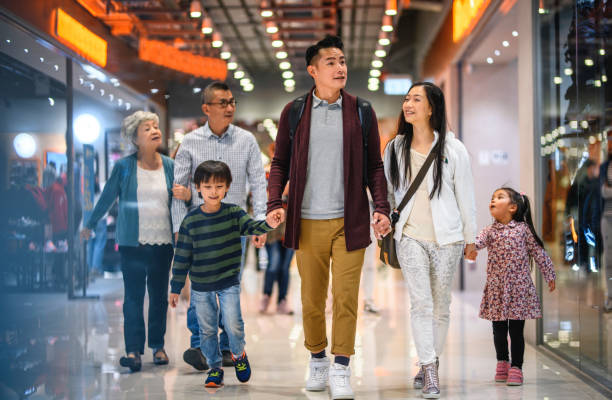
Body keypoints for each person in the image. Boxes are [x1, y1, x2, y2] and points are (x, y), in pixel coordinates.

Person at [266, 35, 391, 399]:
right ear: (313, 71)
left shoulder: (361, 111)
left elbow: (374, 167)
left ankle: (341, 367)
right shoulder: (295, 112)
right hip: (305, 222)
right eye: (331, 62)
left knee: (347, 297)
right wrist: (275, 201)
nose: (340, 68)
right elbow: (279, 163)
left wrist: (380, 208)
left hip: (349, 222)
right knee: (312, 298)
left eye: (343, 61)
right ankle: (317, 357)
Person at [384, 81, 476, 398]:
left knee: (441, 306)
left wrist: (470, 238)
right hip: (409, 236)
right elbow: (384, 192)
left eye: (416, 99)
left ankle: (430, 362)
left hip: (447, 239)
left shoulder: (453, 148)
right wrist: (379, 217)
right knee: (421, 304)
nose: (408, 104)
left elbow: (466, 196)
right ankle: (429, 369)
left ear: (431, 107)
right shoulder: (394, 148)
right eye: (406, 99)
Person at [81, 111, 190, 372]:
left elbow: (182, 201)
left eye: (155, 126)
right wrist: (90, 224)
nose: (154, 130)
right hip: (132, 243)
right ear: (135, 138)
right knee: (132, 298)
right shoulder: (124, 167)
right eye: (146, 128)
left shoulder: (170, 166)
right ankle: (133, 350)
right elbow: (107, 197)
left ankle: (157, 345)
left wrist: (187, 195)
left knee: (159, 298)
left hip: (163, 244)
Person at [172, 81, 268, 371]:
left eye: (232, 102)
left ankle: (227, 347)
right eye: (223, 103)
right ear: (206, 109)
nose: (229, 107)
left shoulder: (247, 140)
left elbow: (258, 182)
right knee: (200, 288)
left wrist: (259, 223)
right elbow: (179, 188)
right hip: (199, 227)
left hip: (234, 227)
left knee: (228, 288)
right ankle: (201, 345)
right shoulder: (190, 142)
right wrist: (179, 226)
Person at [169, 160, 279, 388]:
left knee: (233, 323)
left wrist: (267, 223)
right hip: (200, 285)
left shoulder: (234, 213)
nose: (213, 191)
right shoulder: (191, 221)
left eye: (219, 186)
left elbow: (253, 227)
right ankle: (215, 368)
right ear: (197, 187)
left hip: (228, 281)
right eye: (207, 187)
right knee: (207, 329)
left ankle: (238, 354)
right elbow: (182, 257)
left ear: (227, 187)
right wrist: (176, 287)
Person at [466, 188, 556, 386]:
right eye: (492, 197)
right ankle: (502, 363)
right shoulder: (488, 231)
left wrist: (549, 274)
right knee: (498, 330)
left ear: (513, 207)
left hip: (519, 289)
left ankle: (516, 367)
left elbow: (539, 253)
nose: (493, 200)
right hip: (497, 289)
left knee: (516, 331)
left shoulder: (523, 230)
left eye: (499, 197)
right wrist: (468, 248)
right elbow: (476, 244)